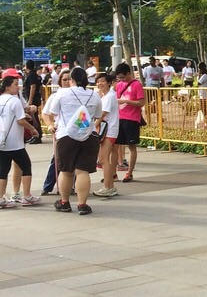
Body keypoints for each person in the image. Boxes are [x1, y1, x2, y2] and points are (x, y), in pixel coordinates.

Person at [42, 66, 103, 215]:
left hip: (66, 136)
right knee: (83, 172)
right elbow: (98, 115)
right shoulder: (94, 95)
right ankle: (82, 204)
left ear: (72, 80)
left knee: (66, 170)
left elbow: (53, 112)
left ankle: (64, 202)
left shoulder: (62, 94)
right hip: (88, 136)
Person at [0, 73, 40, 207]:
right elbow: (20, 120)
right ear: (7, 87)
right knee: (26, 166)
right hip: (15, 142)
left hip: (2, 141)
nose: (18, 88)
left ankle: (1, 198)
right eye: (16, 85)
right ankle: (27, 196)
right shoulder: (14, 101)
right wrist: (33, 129)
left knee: (3, 170)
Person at [114, 61, 145, 183]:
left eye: (122, 77)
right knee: (115, 146)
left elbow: (141, 102)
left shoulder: (137, 85)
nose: (121, 80)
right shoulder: (119, 85)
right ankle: (113, 173)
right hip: (120, 118)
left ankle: (130, 172)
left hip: (132, 119)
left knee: (131, 146)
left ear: (128, 74)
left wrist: (127, 102)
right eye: (119, 78)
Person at [94, 70, 121, 198]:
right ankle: (110, 187)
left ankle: (107, 187)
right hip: (108, 130)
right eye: (98, 82)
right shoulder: (106, 96)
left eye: (103, 81)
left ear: (109, 83)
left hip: (108, 130)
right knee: (104, 159)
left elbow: (102, 114)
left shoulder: (110, 96)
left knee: (104, 159)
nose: (100, 83)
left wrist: (92, 126)